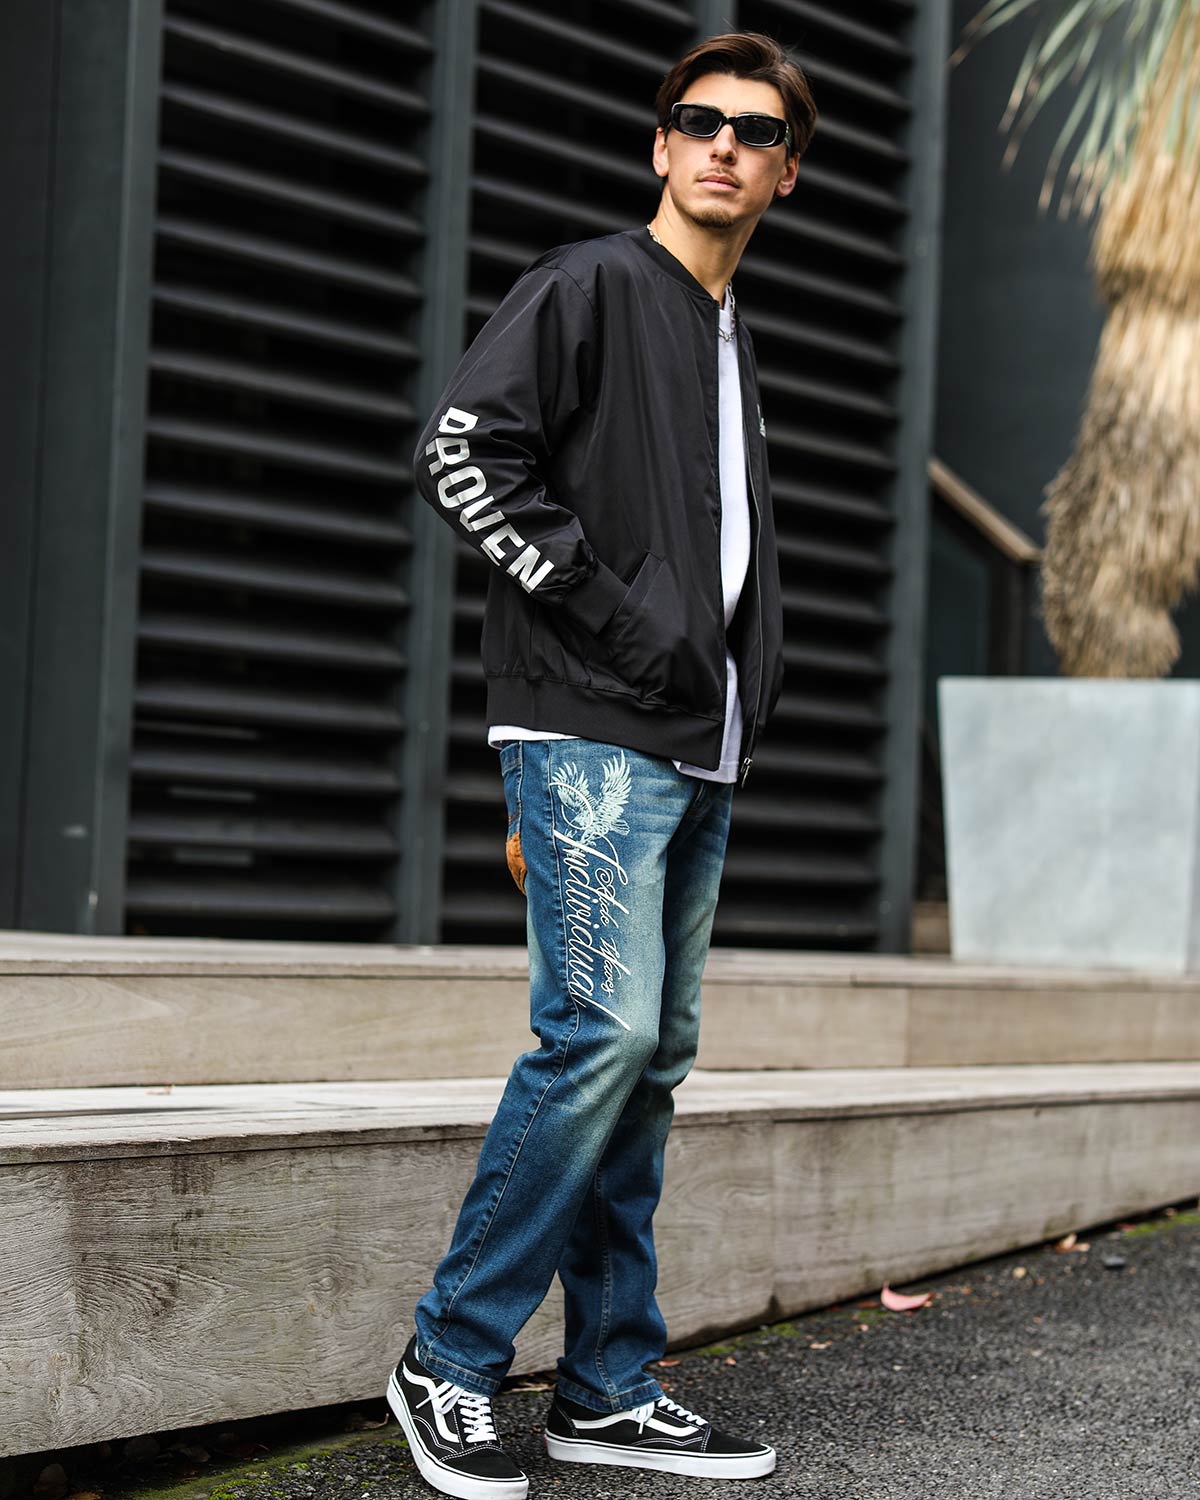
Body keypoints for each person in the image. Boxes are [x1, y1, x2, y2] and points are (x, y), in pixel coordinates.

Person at [386, 30, 816, 1500]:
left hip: (697, 742)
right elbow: (460, 455)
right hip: (588, 727)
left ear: (786, 174)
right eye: (698, 121)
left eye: (755, 131)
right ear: (660, 147)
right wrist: (617, 622)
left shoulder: (725, 330)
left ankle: (610, 1386)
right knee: (600, 1036)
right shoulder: (588, 286)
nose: (723, 144)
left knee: (647, 1065)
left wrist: (744, 675)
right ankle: (449, 1356)